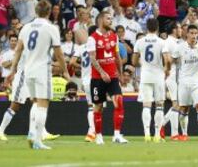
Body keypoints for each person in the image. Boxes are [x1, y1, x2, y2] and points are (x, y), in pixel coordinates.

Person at [7, 0, 69, 150]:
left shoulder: (26, 27)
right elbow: (59, 53)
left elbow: (18, 50)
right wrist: (65, 71)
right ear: (49, 12)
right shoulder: (51, 28)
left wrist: (12, 70)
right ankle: (37, 140)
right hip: (42, 70)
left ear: (36, 11)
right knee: (43, 103)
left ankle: (31, 133)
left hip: (27, 70)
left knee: (35, 101)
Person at [87, 11, 127, 144]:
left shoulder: (114, 36)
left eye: (111, 18)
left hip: (113, 77)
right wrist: (102, 72)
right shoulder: (92, 38)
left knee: (119, 102)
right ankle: (98, 136)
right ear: (100, 20)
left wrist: (120, 74)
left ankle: (116, 135)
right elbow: (92, 58)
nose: (111, 21)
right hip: (98, 79)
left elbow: (116, 57)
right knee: (98, 107)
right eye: (108, 19)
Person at [132, 18, 170, 142]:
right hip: (158, 75)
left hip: (145, 75)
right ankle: (157, 135)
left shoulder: (140, 41)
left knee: (146, 105)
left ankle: (147, 134)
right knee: (159, 105)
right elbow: (167, 59)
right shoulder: (161, 42)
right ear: (157, 27)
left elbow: (133, 61)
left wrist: (142, 63)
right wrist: (166, 69)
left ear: (146, 27)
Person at [70, 25, 97, 142]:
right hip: (96, 79)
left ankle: (92, 131)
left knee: (91, 107)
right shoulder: (97, 47)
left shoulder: (81, 48)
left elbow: (71, 62)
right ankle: (92, 131)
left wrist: (81, 66)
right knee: (98, 107)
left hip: (85, 80)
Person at [161, 23, 183, 141]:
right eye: (179, 28)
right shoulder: (167, 42)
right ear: (174, 30)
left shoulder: (178, 42)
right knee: (177, 104)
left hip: (179, 76)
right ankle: (173, 133)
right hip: (171, 76)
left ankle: (164, 126)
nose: (181, 30)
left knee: (178, 104)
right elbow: (168, 60)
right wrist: (177, 58)